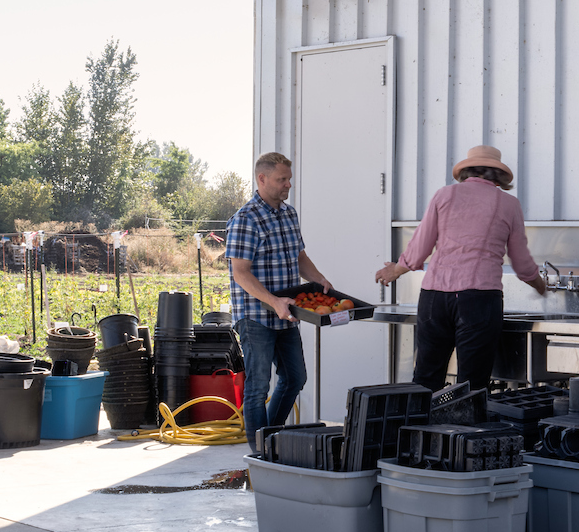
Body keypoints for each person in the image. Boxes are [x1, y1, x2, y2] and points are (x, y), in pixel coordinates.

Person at [374, 144, 547, 391]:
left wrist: (396, 269)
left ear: (467, 172)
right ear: (498, 175)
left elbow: (420, 245)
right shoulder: (509, 204)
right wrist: (538, 283)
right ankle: (463, 429)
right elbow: (521, 262)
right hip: (479, 300)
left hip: (434, 298)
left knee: (425, 378)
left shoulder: (444, 195)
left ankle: (420, 429)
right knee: (471, 384)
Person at [224, 151, 335, 446]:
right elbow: (241, 273)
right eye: (281, 179)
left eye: (289, 179)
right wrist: (273, 300)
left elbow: (299, 256)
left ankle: (270, 439)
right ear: (262, 179)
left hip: (287, 312)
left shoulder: (289, 214)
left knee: (295, 378)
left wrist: (319, 279)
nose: (288, 185)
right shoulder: (246, 219)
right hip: (257, 315)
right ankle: (260, 452)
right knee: (258, 386)